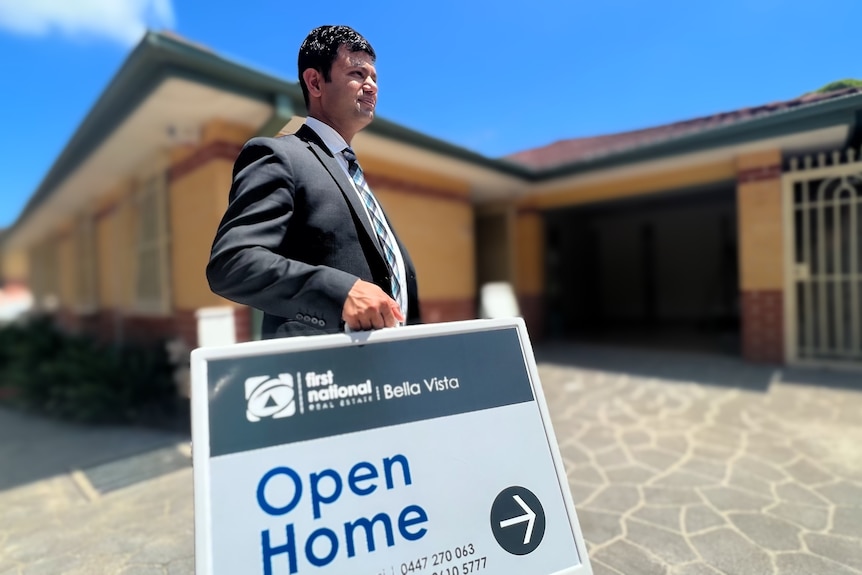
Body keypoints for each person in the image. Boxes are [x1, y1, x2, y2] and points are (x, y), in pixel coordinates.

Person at [207, 25, 419, 338]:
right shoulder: (278, 155)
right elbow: (234, 263)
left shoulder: (351, 173)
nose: (372, 86)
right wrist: (340, 292)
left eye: (374, 77)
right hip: (322, 374)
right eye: (358, 74)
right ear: (315, 82)